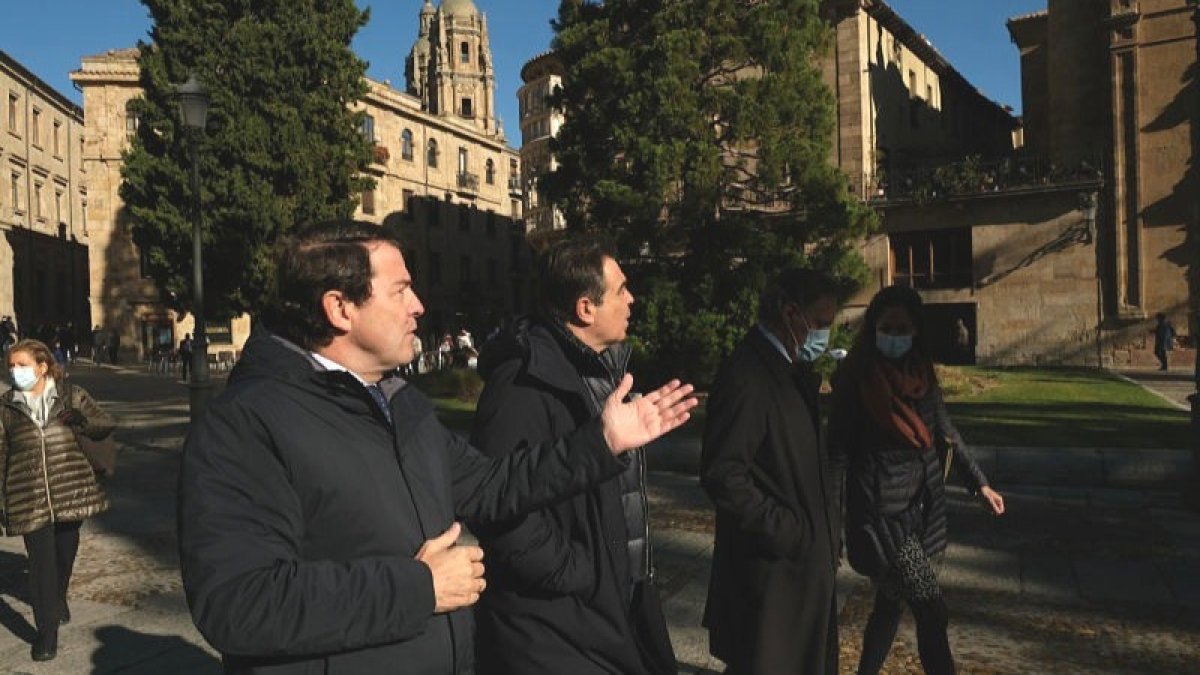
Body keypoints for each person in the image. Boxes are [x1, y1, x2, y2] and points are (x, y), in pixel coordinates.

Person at [177, 220, 697, 675]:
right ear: (339, 308)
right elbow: (237, 604)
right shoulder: (246, 424)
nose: (418, 306)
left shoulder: (401, 404)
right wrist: (418, 587)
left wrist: (602, 443)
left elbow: (493, 485)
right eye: (400, 291)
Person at [469, 238, 675, 675]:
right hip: (555, 626)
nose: (631, 298)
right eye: (621, 289)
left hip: (617, 604)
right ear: (586, 308)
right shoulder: (522, 384)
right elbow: (497, 505)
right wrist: (579, 573)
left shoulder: (598, 371)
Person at [829, 285, 1004, 675]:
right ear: (873, 328)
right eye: (887, 326)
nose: (894, 334)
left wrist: (980, 483)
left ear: (916, 331)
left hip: (924, 512)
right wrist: (833, 525)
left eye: (902, 327)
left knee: (890, 605)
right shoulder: (857, 381)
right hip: (882, 519)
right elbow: (836, 457)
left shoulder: (921, 375)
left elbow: (946, 432)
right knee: (931, 610)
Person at [701, 268, 844, 675]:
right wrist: (790, 532)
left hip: (798, 580)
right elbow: (723, 474)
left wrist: (827, 531)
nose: (824, 335)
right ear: (790, 313)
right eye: (819, 324)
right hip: (772, 583)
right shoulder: (748, 374)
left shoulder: (788, 370)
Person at [1, 339, 115, 661]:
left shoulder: (71, 395)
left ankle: (58, 594)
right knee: (40, 566)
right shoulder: (6, 406)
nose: (15, 371)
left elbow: (105, 423)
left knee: (64, 552)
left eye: (21, 365)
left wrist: (82, 420)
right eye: (11, 366)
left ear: (42, 366)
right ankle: (46, 633)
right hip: (28, 494)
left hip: (71, 488)